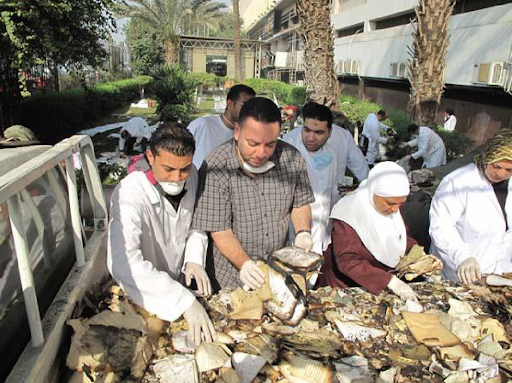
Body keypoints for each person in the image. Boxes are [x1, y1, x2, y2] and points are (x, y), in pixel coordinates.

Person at [107, 124, 216, 346]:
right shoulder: (130, 193)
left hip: (178, 284)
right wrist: (182, 300)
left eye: (184, 168)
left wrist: (194, 258)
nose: (177, 178)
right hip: (143, 293)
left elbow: (197, 222)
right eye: (168, 169)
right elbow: (123, 261)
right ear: (150, 156)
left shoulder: (192, 175)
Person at [192, 97, 315, 291]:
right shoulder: (217, 165)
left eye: (270, 144)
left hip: (277, 272)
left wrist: (303, 232)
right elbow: (218, 228)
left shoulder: (291, 159)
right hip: (230, 279)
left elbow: (299, 203)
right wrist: (245, 264)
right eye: (253, 143)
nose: (261, 153)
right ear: (237, 132)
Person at [317, 162, 418, 301]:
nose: (395, 209)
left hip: (377, 283)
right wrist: (389, 281)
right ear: (373, 192)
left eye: (400, 204)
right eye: (391, 203)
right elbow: (347, 261)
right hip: (344, 286)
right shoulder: (349, 211)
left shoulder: (390, 208)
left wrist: (418, 253)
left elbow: (400, 236)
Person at [282, 102, 369, 254]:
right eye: (307, 130)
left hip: (324, 224)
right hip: (295, 228)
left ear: (330, 132)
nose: (310, 137)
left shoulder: (331, 155)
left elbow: (359, 171)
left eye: (318, 132)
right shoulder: (288, 146)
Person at [429, 130, 512, 284]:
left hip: (496, 275)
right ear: (488, 158)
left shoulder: (509, 187)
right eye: (497, 166)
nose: (501, 174)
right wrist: (462, 257)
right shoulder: (459, 181)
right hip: (458, 274)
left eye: (509, 170)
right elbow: (441, 227)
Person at [187, 84, 256, 169]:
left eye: (252, 107)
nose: (249, 110)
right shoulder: (203, 125)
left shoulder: (247, 136)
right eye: (244, 105)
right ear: (230, 104)